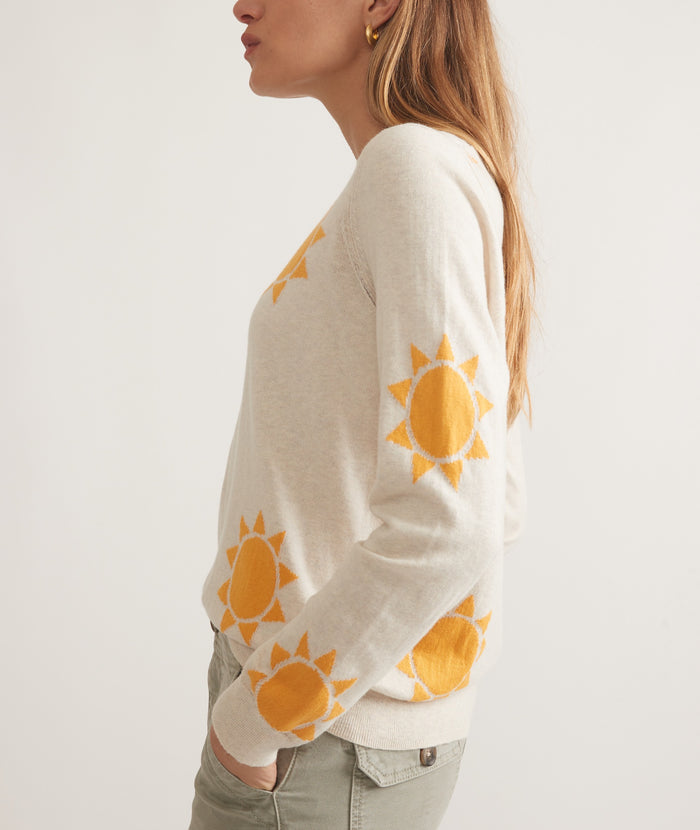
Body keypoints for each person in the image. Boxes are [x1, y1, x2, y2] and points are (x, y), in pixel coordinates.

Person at [188, 0, 536, 827]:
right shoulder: (422, 173)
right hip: (323, 730)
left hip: (316, 744)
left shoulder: (412, 170)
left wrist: (254, 722)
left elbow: (455, 521)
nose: (241, 5)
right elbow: (496, 497)